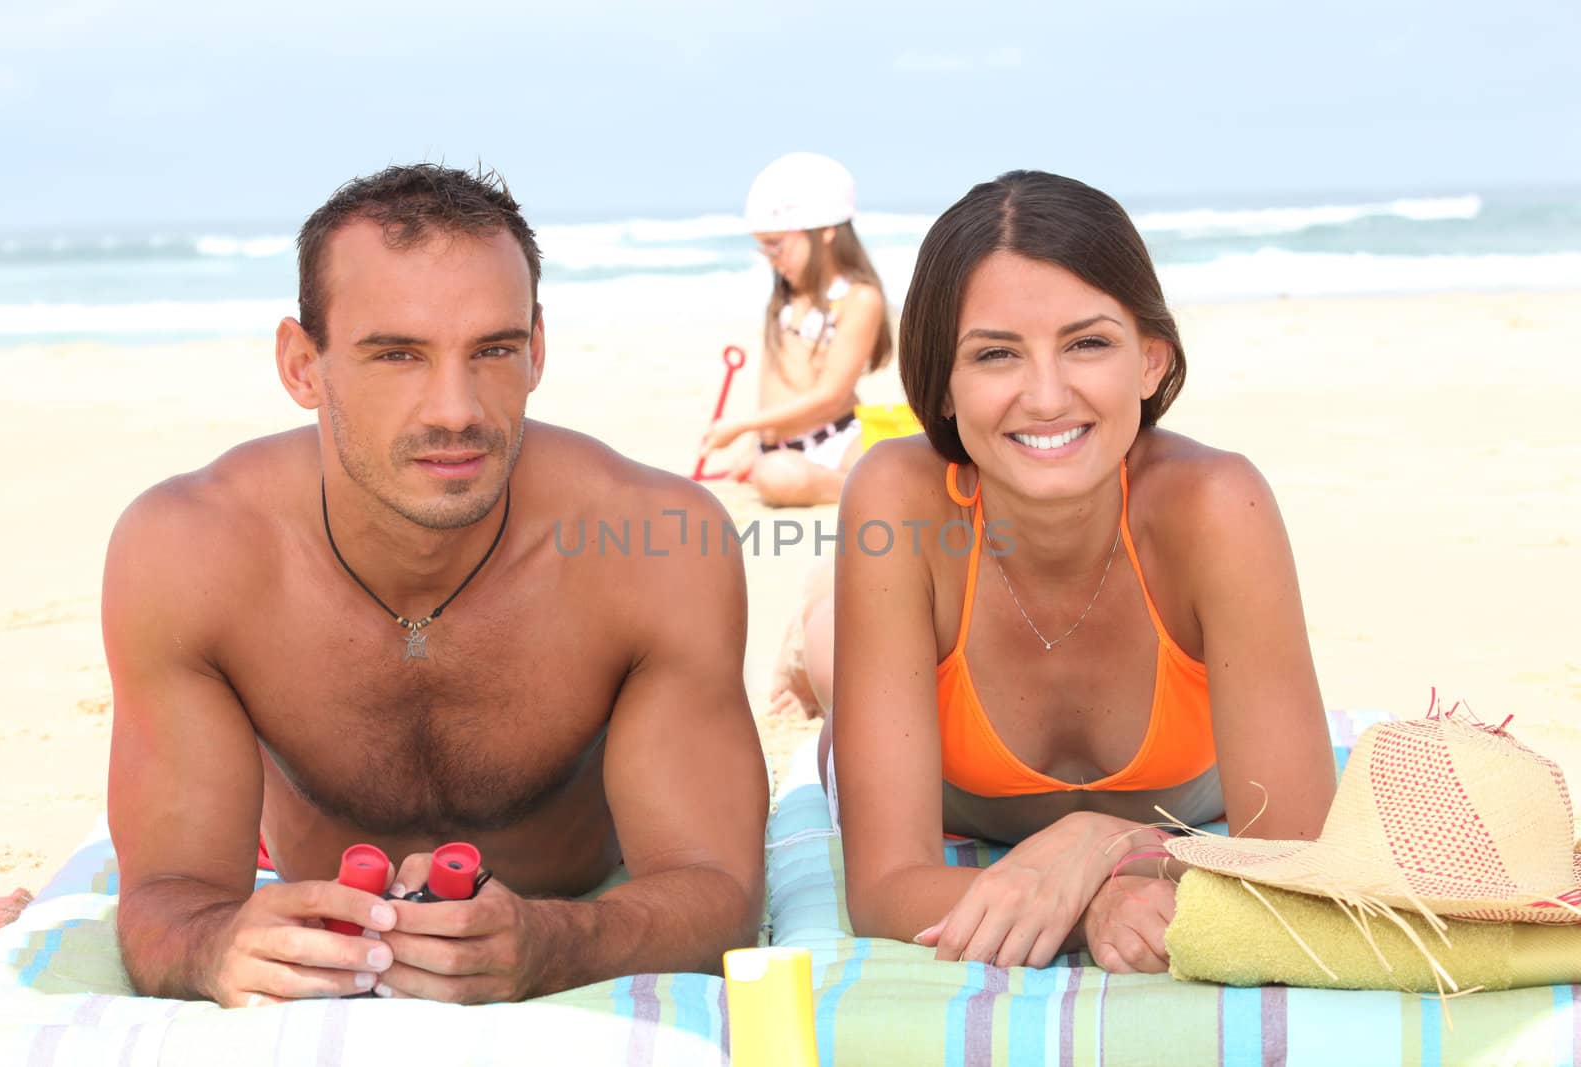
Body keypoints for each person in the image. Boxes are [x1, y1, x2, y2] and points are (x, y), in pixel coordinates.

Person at [104, 163, 768, 1006]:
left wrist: (555, 943)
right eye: (398, 355)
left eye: (492, 350)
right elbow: (171, 894)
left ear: (536, 352)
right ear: (302, 365)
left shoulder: (659, 543)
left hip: (572, 899)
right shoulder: (189, 551)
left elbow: (717, 889)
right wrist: (212, 949)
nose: (455, 408)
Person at [825, 171, 1338, 975]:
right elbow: (886, 887)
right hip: (902, 636)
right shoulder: (894, 495)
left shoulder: (1217, 506)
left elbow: (1300, 860)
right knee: (827, 664)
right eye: (996, 354)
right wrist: (1091, 897)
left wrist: (1106, 842)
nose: (1047, 395)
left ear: (1150, 360)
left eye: (1088, 343)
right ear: (944, 387)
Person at [700, 152, 892, 507]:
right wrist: (754, 442)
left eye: (777, 245)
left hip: (838, 435)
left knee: (874, 463)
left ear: (827, 232)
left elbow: (831, 395)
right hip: (781, 448)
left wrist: (741, 424)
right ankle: (858, 488)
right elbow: (772, 383)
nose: (772, 259)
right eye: (764, 247)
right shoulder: (785, 296)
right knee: (773, 472)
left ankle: (859, 488)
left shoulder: (858, 298)